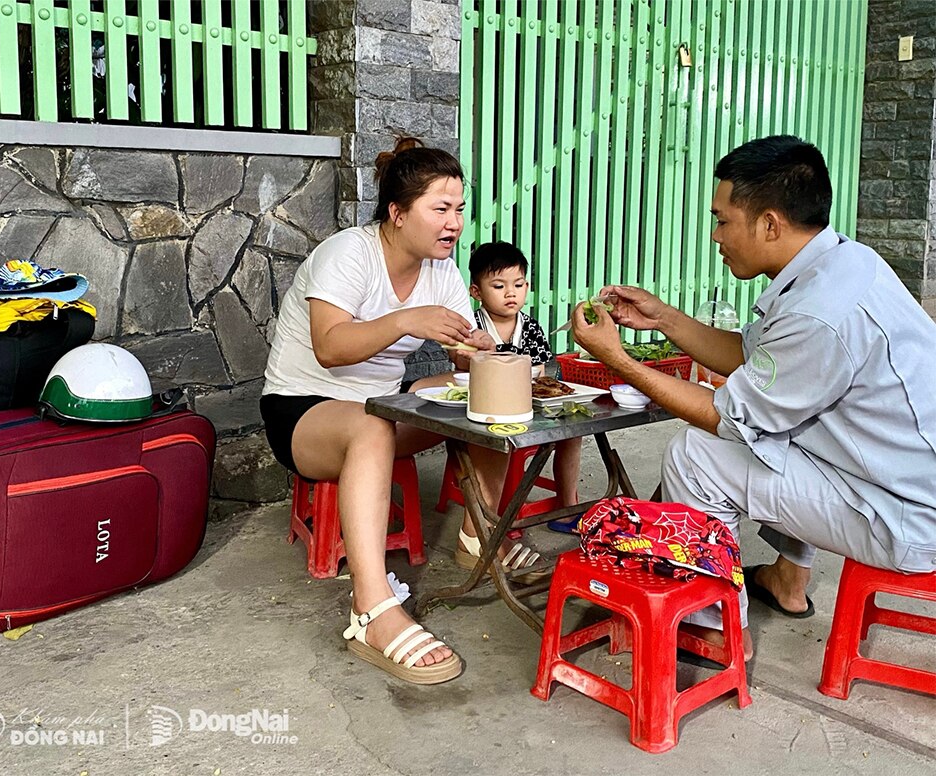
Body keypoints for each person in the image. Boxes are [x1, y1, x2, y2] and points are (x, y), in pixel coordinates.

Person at [570, 135, 936, 659]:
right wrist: (663, 318)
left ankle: (714, 627)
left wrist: (618, 360)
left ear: (769, 224)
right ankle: (788, 579)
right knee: (785, 430)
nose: (716, 235)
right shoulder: (843, 263)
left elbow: (726, 416)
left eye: (722, 220)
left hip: (904, 514)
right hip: (898, 477)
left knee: (697, 455)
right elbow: (754, 358)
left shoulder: (819, 315)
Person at [260, 138, 541, 684]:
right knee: (371, 423)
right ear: (397, 212)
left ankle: (477, 534)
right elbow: (330, 348)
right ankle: (372, 609)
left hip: (380, 410)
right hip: (305, 411)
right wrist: (406, 320)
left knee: (486, 388)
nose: (454, 222)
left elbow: (467, 346)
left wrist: (486, 354)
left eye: (459, 208)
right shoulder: (349, 253)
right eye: (440, 208)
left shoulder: (443, 271)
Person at [467, 241, 583, 517]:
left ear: (527, 287)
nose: (511, 293)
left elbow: (540, 374)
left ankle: (568, 504)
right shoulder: (473, 327)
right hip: (487, 411)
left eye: (518, 285)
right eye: (499, 286)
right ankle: (504, 511)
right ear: (476, 292)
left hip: (528, 406)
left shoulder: (530, 328)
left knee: (573, 433)